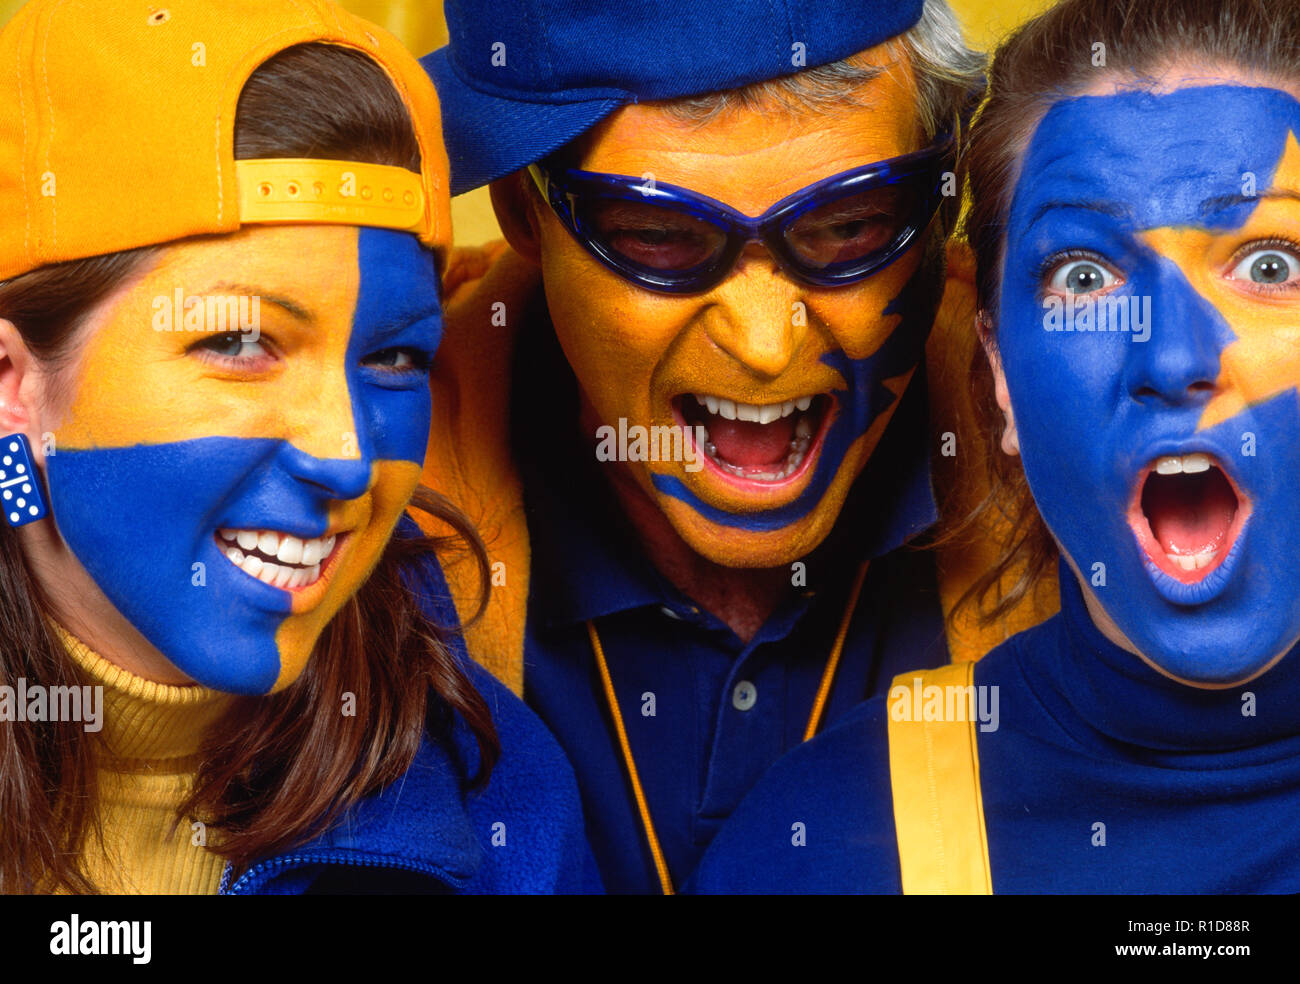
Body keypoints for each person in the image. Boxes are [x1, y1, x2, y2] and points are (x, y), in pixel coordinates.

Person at [416, 0, 1042, 894]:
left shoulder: (1099, 495)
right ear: (525, 207)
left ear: (943, 202)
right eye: (659, 238)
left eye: (848, 226)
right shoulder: (356, 509)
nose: (765, 342)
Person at [691, 0, 1300, 894]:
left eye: (1271, 265)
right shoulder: (819, 847)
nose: (1173, 359)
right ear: (1002, 373)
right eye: (1084, 276)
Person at [0, 0, 592, 895]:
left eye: (394, 357)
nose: (348, 458)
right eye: (241, 343)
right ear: (14, 384)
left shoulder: (505, 810)